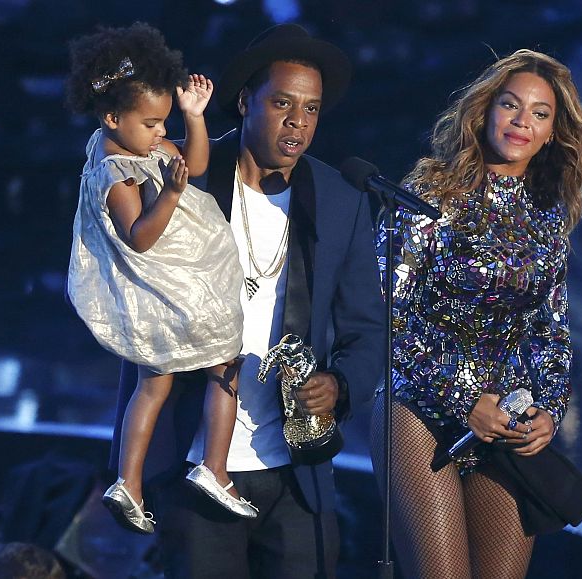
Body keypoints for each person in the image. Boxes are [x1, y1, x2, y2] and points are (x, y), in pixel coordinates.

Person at [109, 23, 385, 578]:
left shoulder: (340, 200)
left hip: (295, 470)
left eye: (311, 109)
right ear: (244, 102)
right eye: (282, 103)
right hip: (194, 460)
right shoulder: (187, 177)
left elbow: (367, 327)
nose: (297, 122)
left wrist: (339, 384)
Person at [370, 49, 582, 579]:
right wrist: (461, 397)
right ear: (484, 110)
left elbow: (550, 328)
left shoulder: (549, 211)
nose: (522, 121)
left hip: (505, 423)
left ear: (552, 133)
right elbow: (384, 315)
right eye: (511, 105)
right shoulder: (431, 190)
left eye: (540, 114)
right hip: (417, 406)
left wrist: (549, 411)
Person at [66, 22, 258, 535]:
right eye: (152, 123)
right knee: (224, 366)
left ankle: (129, 483)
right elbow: (139, 237)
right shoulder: (115, 171)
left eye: (163, 123)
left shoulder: (139, 144)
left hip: (190, 277)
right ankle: (211, 469)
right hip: (173, 289)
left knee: (159, 383)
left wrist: (193, 120)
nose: (159, 133)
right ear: (112, 116)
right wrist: (169, 196)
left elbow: (193, 163)